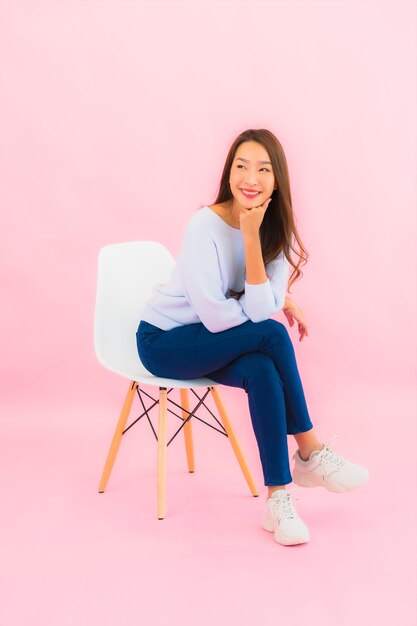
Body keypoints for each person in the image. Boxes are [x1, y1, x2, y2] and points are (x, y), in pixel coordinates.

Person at [136, 128, 369, 547]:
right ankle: (310, 451)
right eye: (241, 166)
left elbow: (256, 312)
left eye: (263, 169)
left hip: (215, 340)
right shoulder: (203, 225)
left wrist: (254, 240)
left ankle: (279, 499)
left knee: (263, 367)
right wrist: (274, 295)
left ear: (277, 181)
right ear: (228, 174)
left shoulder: (277, 233)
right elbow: (218, 315)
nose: (250, 177)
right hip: (165, 342)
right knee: (273, 335)